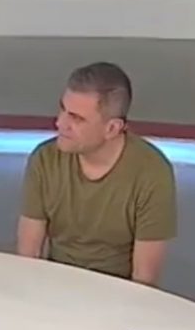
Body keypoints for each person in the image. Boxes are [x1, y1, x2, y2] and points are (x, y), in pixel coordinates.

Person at [16, 62, 177, 286]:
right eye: (63, 109)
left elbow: (144, 279)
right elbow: (28, 256)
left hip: (118, 292)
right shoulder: (45, 159)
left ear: (112, 128)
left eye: (77, 118)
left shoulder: (152, 174)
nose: (60, 123)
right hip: (54, 286)